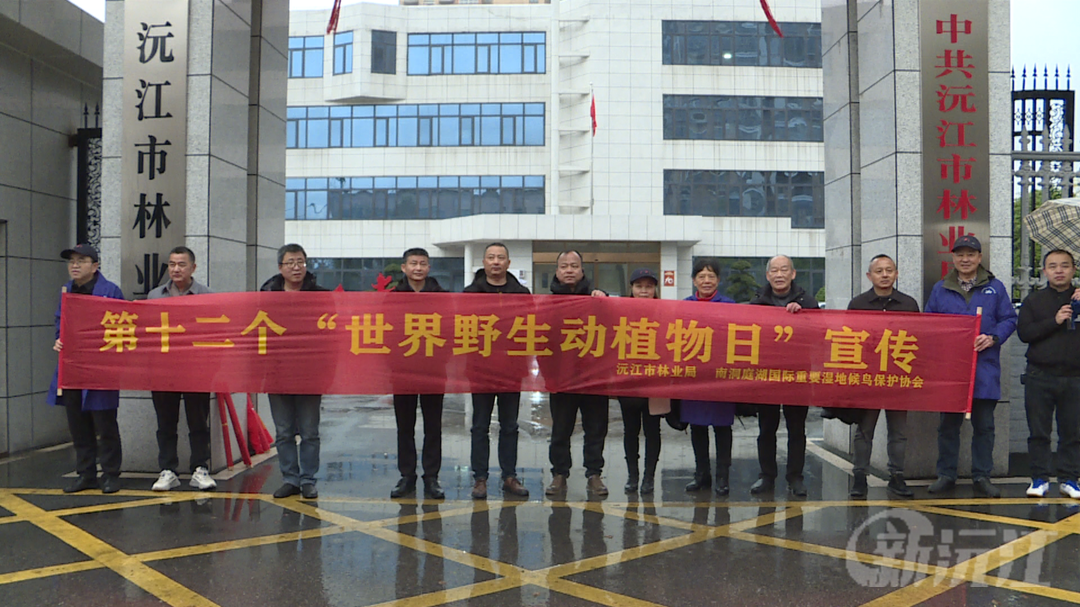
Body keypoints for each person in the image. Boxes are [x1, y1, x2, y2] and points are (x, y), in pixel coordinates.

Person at [925, 235, 1017, 498]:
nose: (965, 259)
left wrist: (993, 337)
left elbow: (1009, 319)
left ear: (979, 258)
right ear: (953, 258)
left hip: (984, 368)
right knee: (948, 426)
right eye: (960, 254)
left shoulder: (995, 288)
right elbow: (930, 323)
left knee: (984, 426)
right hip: (951, 371)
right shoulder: (941, 288)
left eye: (970, 254)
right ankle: (946, 474)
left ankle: (982, 476)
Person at [49, 244, 125, 494]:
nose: (75, 265)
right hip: (72, 366)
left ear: (95, 266)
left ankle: (111, 474)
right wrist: (59, 339)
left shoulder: (110, 291)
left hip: (100, 368)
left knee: (105, 424)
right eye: (72, 261)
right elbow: (60, 322)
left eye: (81, 261)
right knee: (78, 424)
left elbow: (122, 327)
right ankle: (86, 473)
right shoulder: (66, 291)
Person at [845, 254, 919, 499]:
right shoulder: (858, 304)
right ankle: (859, 477)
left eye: (889, 270)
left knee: (898, 432)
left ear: (896, 274)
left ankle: (897, 477)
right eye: (879, 271)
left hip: (899, 378)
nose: (885, 275)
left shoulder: (909, 304)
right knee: (864, 431)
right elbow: (849, 339)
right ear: (870, 276)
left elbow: (919, 339)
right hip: (868, 378)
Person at [463, 243, 531, 500]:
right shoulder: (470, 293)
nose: (495, 262)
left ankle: (509, 476)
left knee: (510, 425)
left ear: (508, 263)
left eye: (500, 258)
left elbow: (531, 328)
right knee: (480, 425)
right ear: (484, 262)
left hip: (511, 369)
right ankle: (480, 478)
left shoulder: (521, 293)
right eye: (491, 257)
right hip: (480, 369)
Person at [260, 244, 328, 499]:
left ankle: (308, 479)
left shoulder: (320, 296)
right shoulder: (266, 295)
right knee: (284, 431)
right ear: (280, 267)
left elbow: (331, 335)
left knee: (310, 431)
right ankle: (290, 478)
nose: (296, 267)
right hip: (277, 371)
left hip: (310, 372)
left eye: (300, 262)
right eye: (290, 263)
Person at [147, 246, 217, 492]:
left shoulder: (207, 296)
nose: (176, 269)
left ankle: (200, 468)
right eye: (172, 264)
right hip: (163, 370)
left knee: (198, 422)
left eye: (181, 264)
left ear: (193, 268)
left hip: (196, 370)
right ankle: (168, 470)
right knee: (166, 422)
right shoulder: (155, 296)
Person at [749, 254, 819, 497]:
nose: (779, 274)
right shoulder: (757, 303)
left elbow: (818, 334)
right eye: (775, 270)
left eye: (784, 269)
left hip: (797, 374)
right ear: (768, 275)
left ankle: (795, 477)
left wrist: (803, 315)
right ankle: (766, 476)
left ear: (793, 273)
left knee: (796, 429)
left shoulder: (807, 302)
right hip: (766, 374)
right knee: (766, 428)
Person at [544, 250, 610, 497]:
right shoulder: (547, 304)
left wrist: (605, 299)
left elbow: (615, 326)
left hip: (594, 376)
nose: (569, 270)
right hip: (562, 377)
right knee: (561, 429)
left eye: (574, 266)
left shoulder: (597, 299)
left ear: (582, 270)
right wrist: (548, 374)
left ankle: (594, 473)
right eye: (564, 266)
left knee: (596, 428)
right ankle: (559, 474)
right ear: (557, 271)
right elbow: (540, 342)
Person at [1016, 249, 1080, 500]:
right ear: (1044, 271)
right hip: (1039, 375)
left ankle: (1069, 479)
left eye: (1065, 265)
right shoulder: (1034, 300)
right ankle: (1039, 478)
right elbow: (1025, 333)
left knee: (1072, 433)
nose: (1059, 271)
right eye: (1053, 266)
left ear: (1073, 269)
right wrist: (1055, 320)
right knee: (1039, 432)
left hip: (1075, 377)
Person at [390, 247, 449, 500]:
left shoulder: (441, 296)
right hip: (402, 370)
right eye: (413, 263)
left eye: (422, 263)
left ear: (428, 268)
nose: (418, 268)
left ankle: (431, 476)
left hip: (433, 370)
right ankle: (407, 475)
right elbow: (386, 331)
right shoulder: (393, 297)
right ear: (404, 268)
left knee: (433, 426)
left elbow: (450, 329)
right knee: (405, 426)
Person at [680, 259, 738, 497]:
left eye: (711, 276)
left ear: (718, 280)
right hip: (694, 376)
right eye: (701, 276)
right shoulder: (685, 306)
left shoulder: (730, 305)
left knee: (722, 427)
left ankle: (723, 477)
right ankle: (701, 474)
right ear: (694, 281)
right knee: (697, 427)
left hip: (721, 375)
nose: (706, 281)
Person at [618, 268, 666, 494]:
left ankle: (649, 477)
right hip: (628, 380)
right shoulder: (620, 311)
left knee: (652, 430)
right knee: (630, 430)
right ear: (632, 288)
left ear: (655, 289)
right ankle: (632, 475)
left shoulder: (665, 312)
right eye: (639, 286)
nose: (644, 291)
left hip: (655, 382)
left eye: (648, 287)